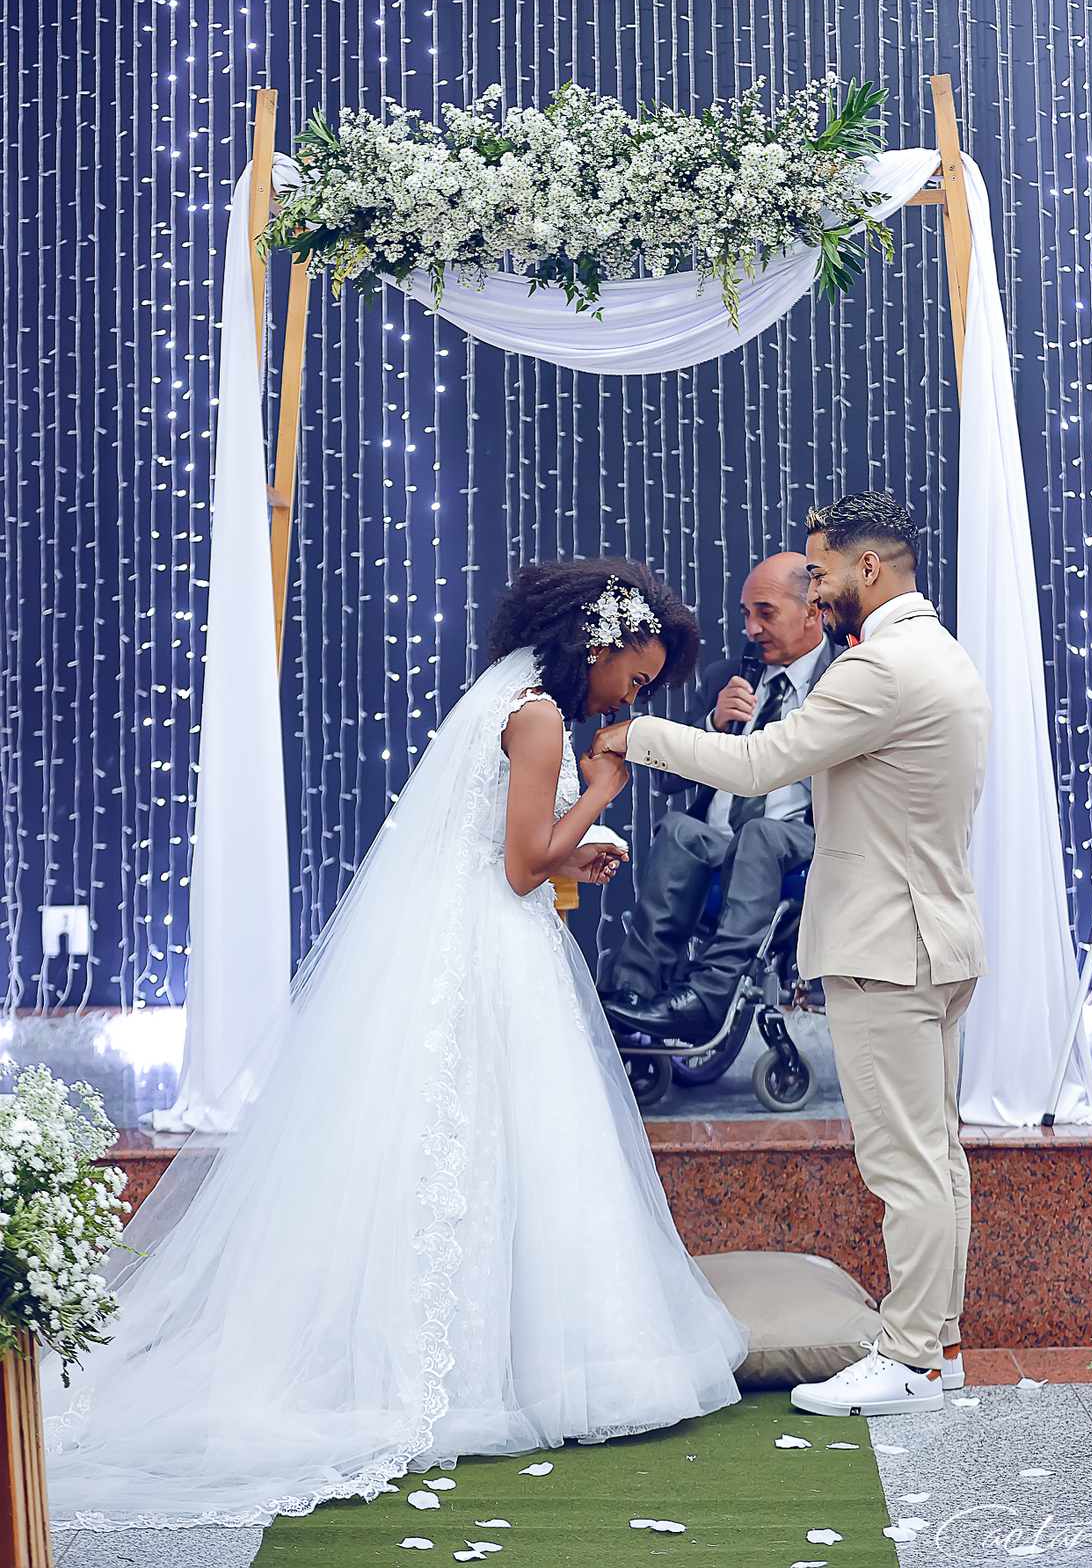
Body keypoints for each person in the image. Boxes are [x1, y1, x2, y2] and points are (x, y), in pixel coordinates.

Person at [44, 558, 746, 1529]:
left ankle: (492, 1355)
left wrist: (570, 845)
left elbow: (503, 847)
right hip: (492, 949)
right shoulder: (541, 717)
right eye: (637, 675)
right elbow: (519, 868)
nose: (634, 696)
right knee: (512, 1142)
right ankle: (518, 1367)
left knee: (478, 1146)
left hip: (467, 937)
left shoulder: (510, 695)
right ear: (602, 644)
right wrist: (601, 793)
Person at [588, 493, 991, 1418]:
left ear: (868, 569)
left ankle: (913, 1359)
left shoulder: (878, 668)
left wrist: (636, 735)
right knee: (937, 1158)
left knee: (904, 1166)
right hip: (939, 940)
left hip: (887, 948)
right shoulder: (942, 653)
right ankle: (942, 1346)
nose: (815, 588)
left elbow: (758, 767)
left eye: (821, 571)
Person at [600, 554, 840, 1043]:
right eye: (745, 614)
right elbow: (668, 784)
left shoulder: (844, 678)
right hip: (718, 840)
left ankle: (708, 997)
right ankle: (630, 994)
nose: (751, 629)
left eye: (766, 613)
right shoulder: (725, 678)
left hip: (802, 842)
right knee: (680, 829)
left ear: (812, 611)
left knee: (760, 833)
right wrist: (711, 725)